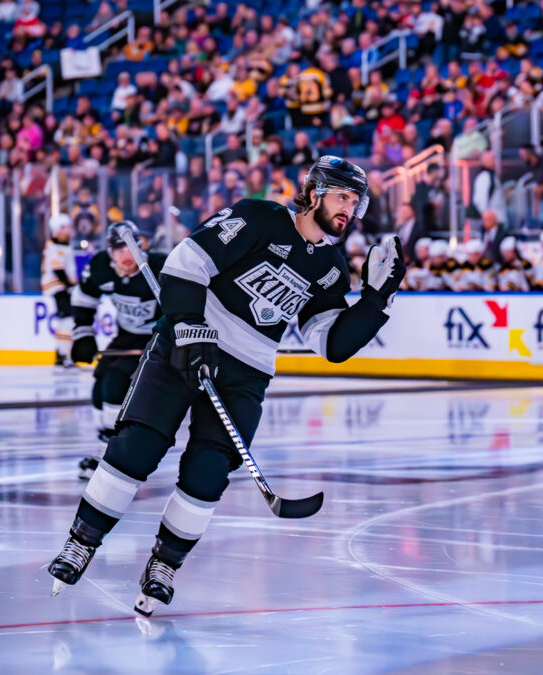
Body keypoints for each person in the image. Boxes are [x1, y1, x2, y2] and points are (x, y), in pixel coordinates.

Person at [48, 157, 405, 615]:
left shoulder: (332, 267)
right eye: (342, 196)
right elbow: (186, 261)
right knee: (137, 446)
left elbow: (330, 343)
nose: (349, 209)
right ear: (314, 191)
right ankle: (82, 542)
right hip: (187, 343)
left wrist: (377, 302)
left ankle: (165, 565)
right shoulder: (259, 218)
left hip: (247, 370)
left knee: (208, 473)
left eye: (356, 202)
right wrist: (190, 326)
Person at [69, 221, 166, 472]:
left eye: (130, 248)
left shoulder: (159, 266)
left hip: (157, 336)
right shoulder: (101, 266)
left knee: (116, 381)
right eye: (119, 250)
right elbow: (83, 299)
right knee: (101, 381)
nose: (126, 255)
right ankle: (107, 448)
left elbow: (183, 304)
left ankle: (116, 454)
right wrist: (83, 335)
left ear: (141, 247)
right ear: (110, 252)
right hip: (127, 334)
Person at [41, 214, 77, 368]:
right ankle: (63, 354)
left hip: (59, 287)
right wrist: (70, 285)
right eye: (64, 229)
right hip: (57, 287)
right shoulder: (56, 248)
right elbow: (58, 269)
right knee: (67, 319)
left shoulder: (60, 246)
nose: (67, 232)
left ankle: (61, 353)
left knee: (66, 319)